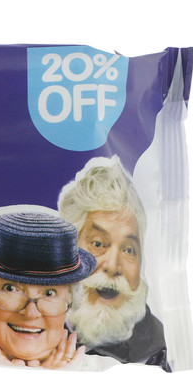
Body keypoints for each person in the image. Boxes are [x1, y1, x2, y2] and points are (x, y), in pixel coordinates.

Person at [57, 157, 170, 370]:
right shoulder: (31, 327)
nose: (112, 266)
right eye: (98, 244)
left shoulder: (158, 350)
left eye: (129, 250)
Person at [0, 210, 97, 369]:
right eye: (11, 289)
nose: (31, 313)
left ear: (70, 303)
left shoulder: (107, 371)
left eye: (49, 293)